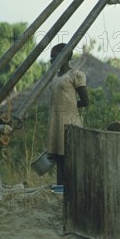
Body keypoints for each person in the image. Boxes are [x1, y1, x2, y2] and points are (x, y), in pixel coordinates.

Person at [47, 43, 89, 186]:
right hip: (56, 121)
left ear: (64, 57)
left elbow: (85, 101)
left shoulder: (74, 74)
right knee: (59, 157)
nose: (51, 60)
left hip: (69, 121)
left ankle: (72, 189)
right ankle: (60, 189)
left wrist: (69, 105)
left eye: (54, 57)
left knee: (69, 156)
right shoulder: (55, 77)